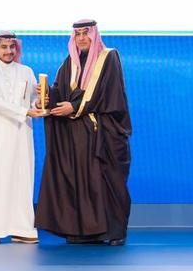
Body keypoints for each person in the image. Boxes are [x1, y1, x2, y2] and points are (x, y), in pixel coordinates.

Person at [35, 19, 132, 245]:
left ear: (94, 34)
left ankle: (113, 232)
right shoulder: (70, 62)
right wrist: (47, 96)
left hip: (102, 133)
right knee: (80, 181)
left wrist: (75, 107)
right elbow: (61, 91)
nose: (81, 38)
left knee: (103, 182)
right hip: (77, 135)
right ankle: (84, 231)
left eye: (85, 33)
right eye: (77, 34)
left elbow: (107, 94)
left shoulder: (109, 57)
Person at [0, 31, 42, 245]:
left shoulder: (26, 71)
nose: (8, 51)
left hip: (22, 134)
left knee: (22, 179)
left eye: (12, 47)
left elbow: (33, 101)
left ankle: (22, 229)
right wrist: (26, 111)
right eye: (4, 47)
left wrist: (40, 101)